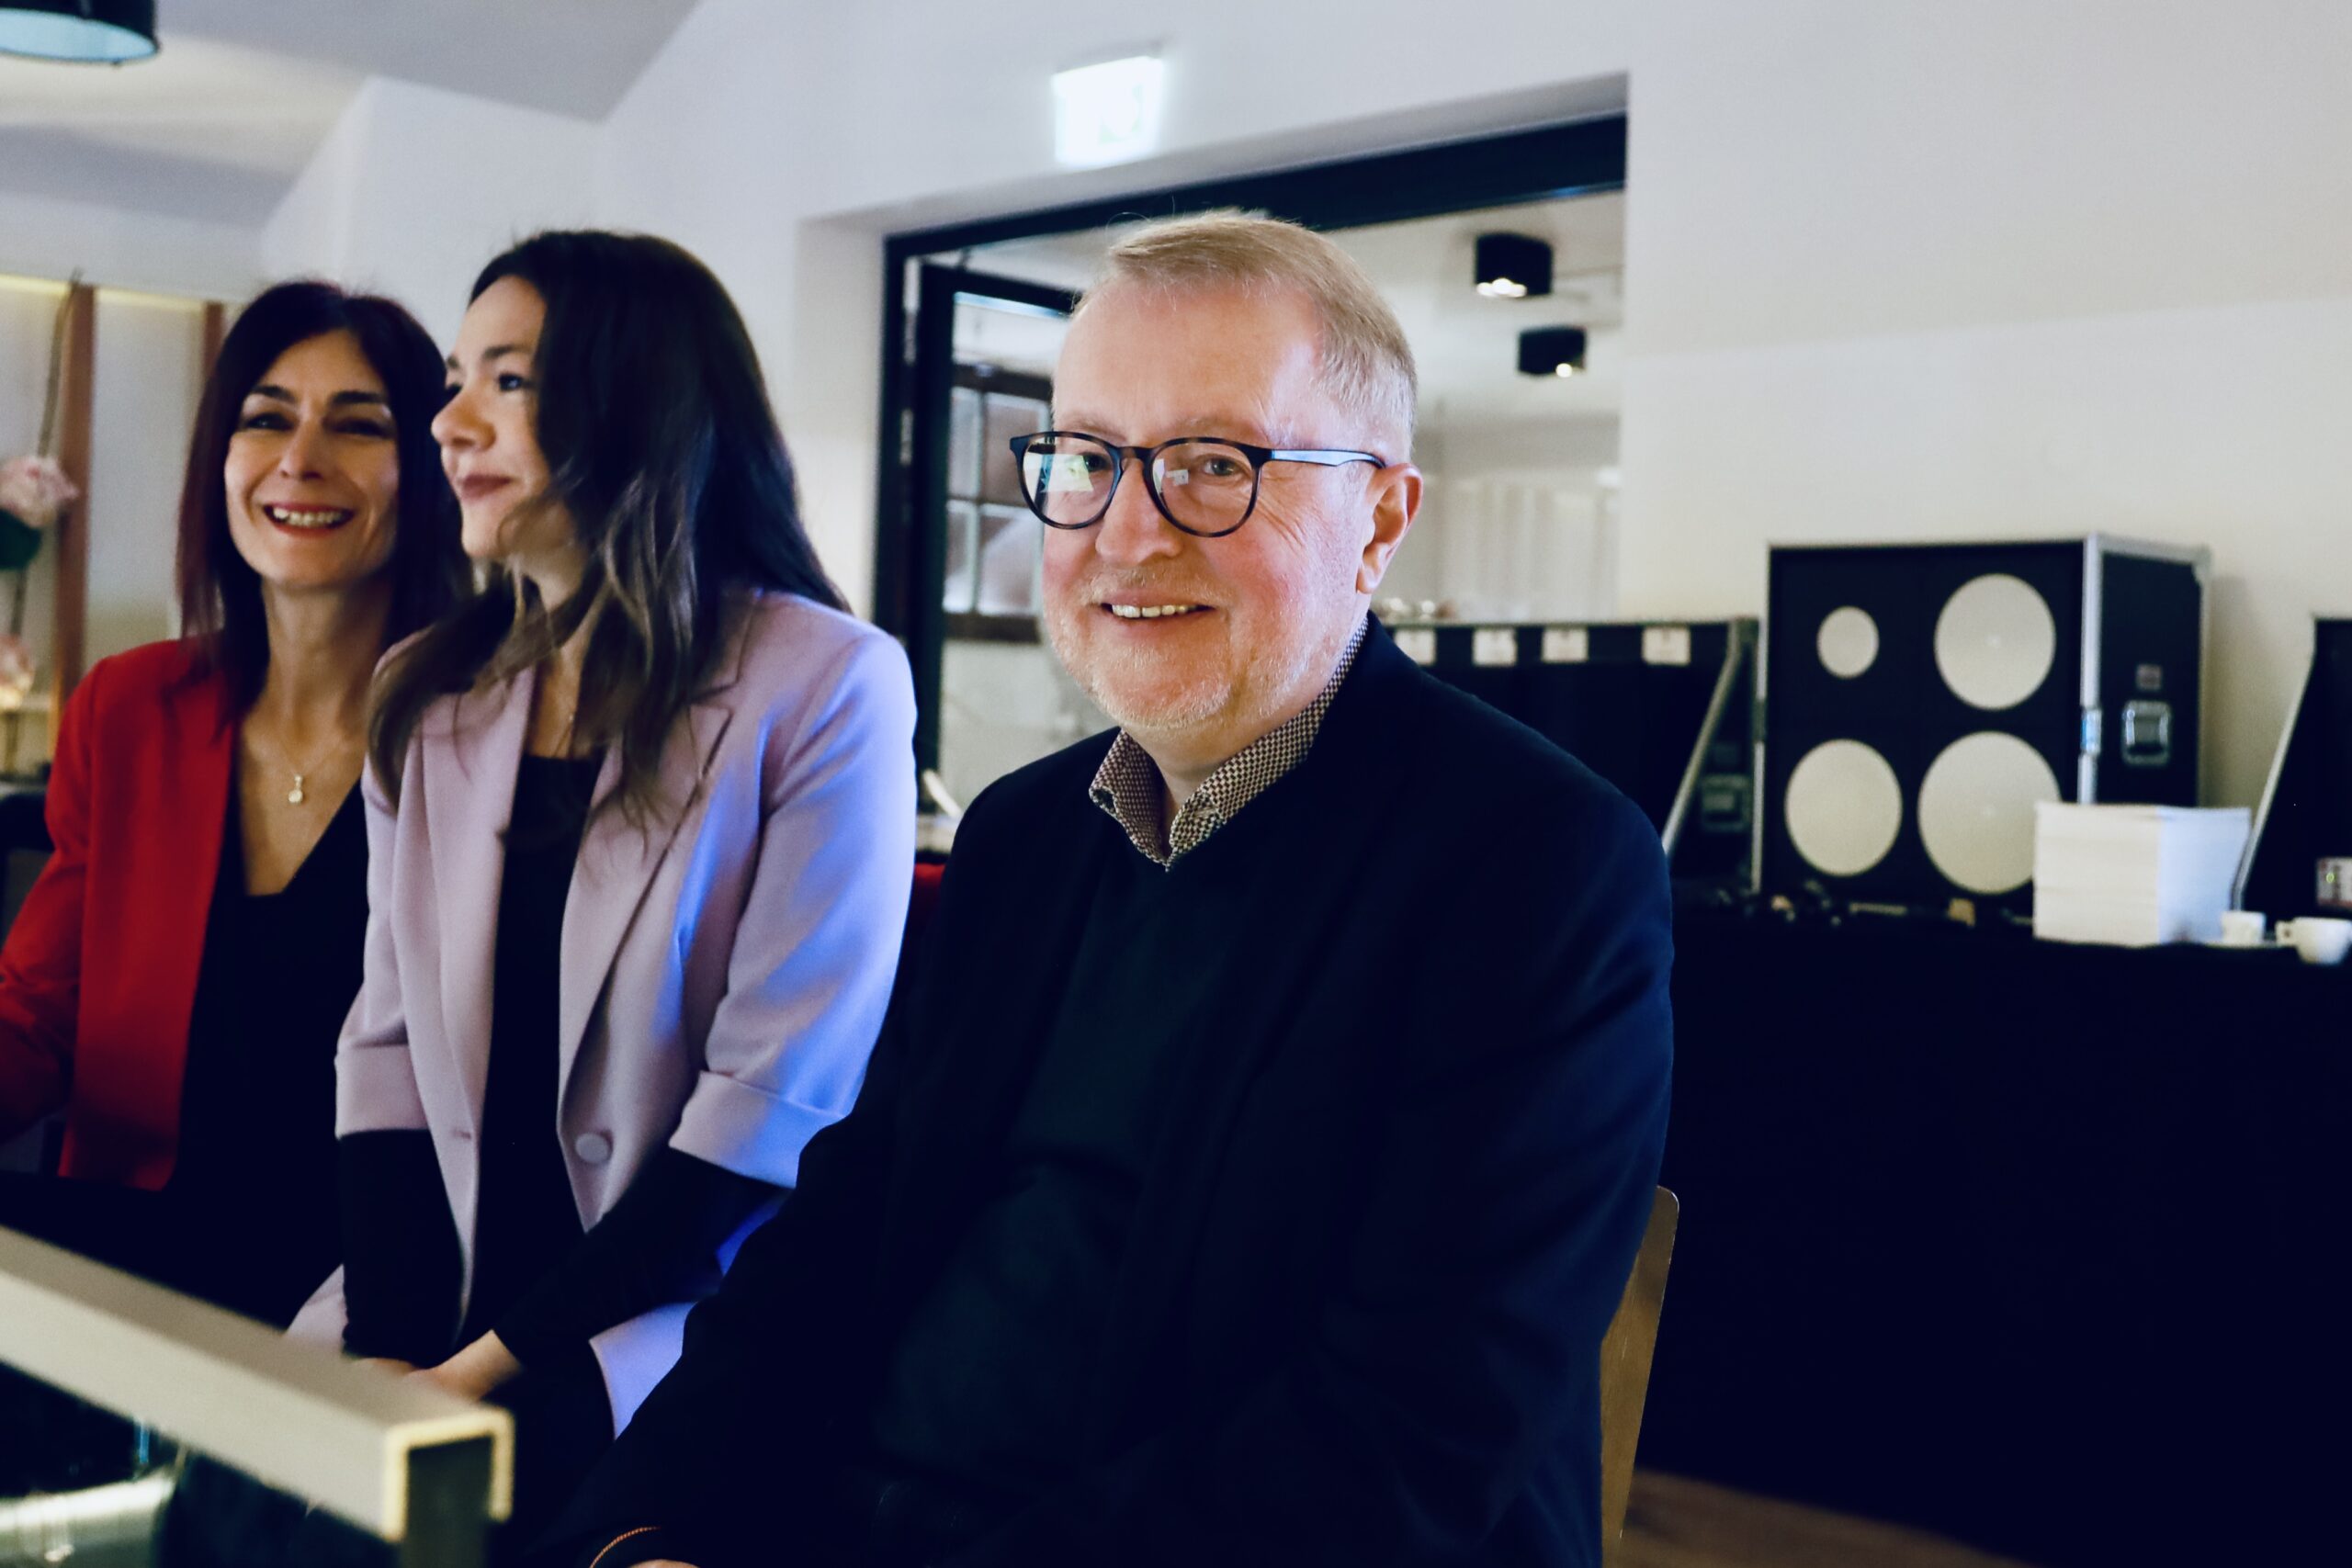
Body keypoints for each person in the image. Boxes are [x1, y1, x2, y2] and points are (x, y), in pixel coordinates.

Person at [560, 212, 1674, 1568]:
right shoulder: (1024, 836)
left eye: (1213, 465)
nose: (1128, 533)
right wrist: (643, 1527)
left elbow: (1396, 1440)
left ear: (1380, 519)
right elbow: (833, 1244)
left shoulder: (1535, 866)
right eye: (1087, 459)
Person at [288, 231, 916, 1546]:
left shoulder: (827, 683)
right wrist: (391, 1353)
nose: (450, 421)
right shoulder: (427, 690)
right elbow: (385, 1053)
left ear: (641, 404)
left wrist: (471, 1377)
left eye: (508, 380)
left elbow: (764, 1126)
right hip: (431, 1300)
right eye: (455, 380)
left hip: (668, 1325)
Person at [0, 281, 466, 1327]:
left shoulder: (483, 734)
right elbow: (36, 1012)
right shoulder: (128, 707)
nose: (302, 459)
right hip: (134, 1248)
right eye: (266, 418)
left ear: (433, 471)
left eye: (359, 426)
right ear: (222, 456)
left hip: (372, 1281)